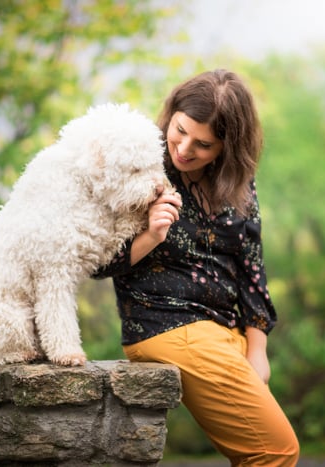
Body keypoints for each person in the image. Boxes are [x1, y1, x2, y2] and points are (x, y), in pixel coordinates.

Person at [94, 69, 299, 466]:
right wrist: (151, 235)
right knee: (276, 451)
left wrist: (258, 349)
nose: (184, 149)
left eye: (203, 144)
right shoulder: (142, 169)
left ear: (227, 148)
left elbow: (251, 266)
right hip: (168, 328)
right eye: (180, 130)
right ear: (171, 113)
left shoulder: (239, 181)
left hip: (226, 333)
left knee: (266, 451)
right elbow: (98, 261)